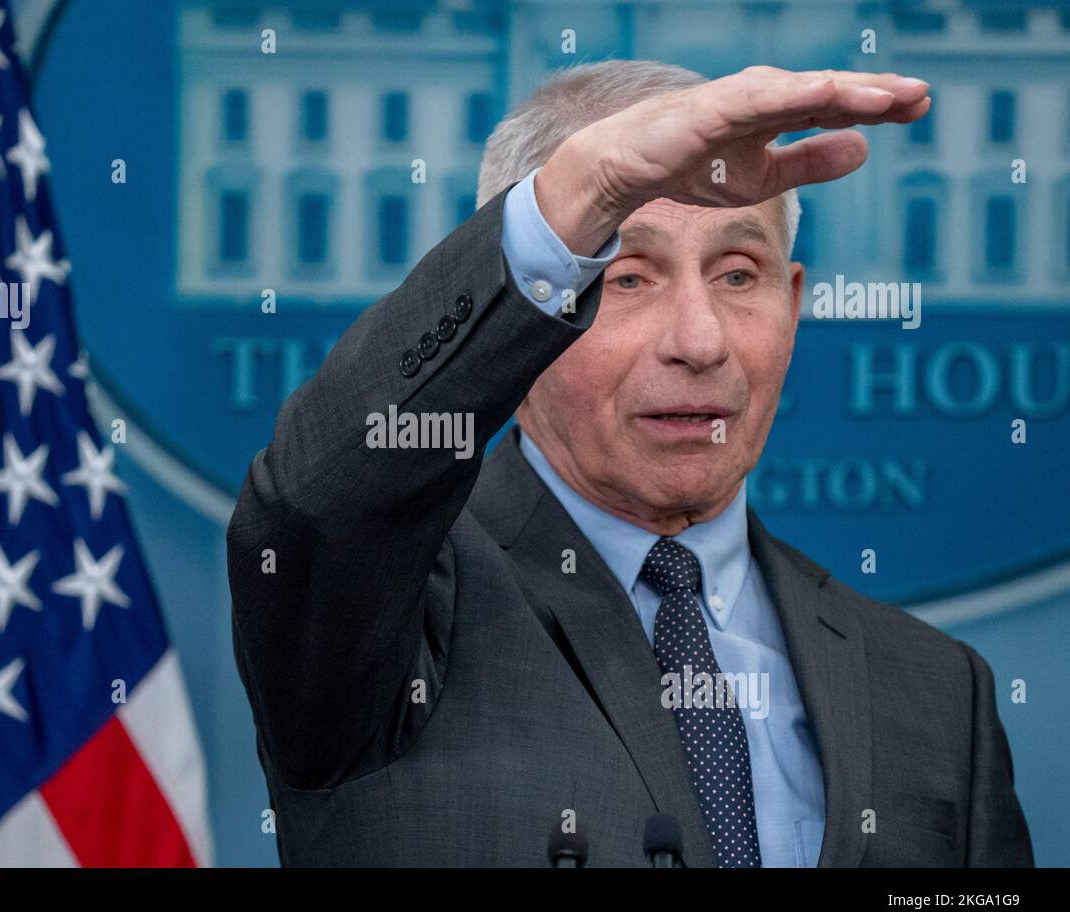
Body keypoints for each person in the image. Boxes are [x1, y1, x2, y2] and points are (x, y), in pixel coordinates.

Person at [227, 60, 1034, 867]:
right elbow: (314, 506)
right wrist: (590, 188)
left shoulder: (936, 689)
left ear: (792, 303)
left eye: (738, 275)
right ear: (533, 315)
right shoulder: (397, 619)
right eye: (626, 277)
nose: (699, 340)